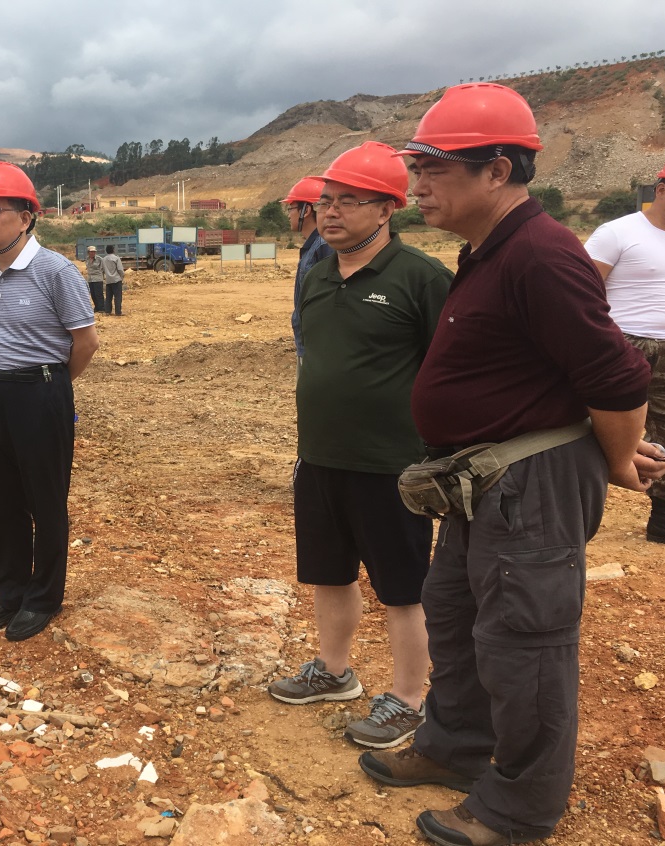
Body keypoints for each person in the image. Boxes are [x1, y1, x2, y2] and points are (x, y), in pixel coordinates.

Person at [360, 83, 664, 846]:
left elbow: (617, 377)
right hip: (483, 479)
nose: (415, 184)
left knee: (523, 642)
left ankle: (519, 809)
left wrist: (618, 458)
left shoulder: (540, 254)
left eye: (433, 169)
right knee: (454, 615)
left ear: (496, 171)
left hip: (526, 486)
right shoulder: (488, 248)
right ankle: (454, 747)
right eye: (415, 168)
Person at [267, 142, 452, 751]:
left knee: (402, 588)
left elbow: (450, 370)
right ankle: (334, 671)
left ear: (387, 209)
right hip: (320, 456)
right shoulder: (317, 275)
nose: (331, 211)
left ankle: (408, 698)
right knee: (329, 575)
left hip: (391, 464)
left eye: (350, 201)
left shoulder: (421, 278)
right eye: (326, 200)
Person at [0, 161, 99, 642]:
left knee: (45, 500)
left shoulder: (55, 271)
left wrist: (51, 387)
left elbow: (86, 342)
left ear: (26, 216)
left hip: (40, 392)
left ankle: (42, 599)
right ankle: (9, 593)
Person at [586, 150, 665, 544]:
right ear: (661, 190)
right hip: (622, 347)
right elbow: (581, 293)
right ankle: (574, 510)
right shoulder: (617, 233)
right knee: (594, 427)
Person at [285, 176, 334, 366]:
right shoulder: (314, 246)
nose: (288, 215)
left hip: (318, 349)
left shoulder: (324, 246)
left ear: (305, 211)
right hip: (308, 344)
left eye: (291, 208)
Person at [102, 244, 125, 316]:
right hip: (116, 280)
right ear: (113, 250)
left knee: (108, 297)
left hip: (108, 280)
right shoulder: (116, 258)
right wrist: (122, 277)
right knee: (117, 297)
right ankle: (118, 312)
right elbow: (120, 269)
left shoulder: (104, 259)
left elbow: (102, 270)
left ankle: (108, 311)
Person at [84, 245, 106, 313]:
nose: (93, 253)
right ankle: (97, 307)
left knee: (99, 294)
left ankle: (101, 308)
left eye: (94, 252)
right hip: (90, 279)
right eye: (91, 252)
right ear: (88, 252)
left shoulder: (99, 259)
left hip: (98, 278)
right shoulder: (87, 259)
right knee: (93, 294)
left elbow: (103, 269)